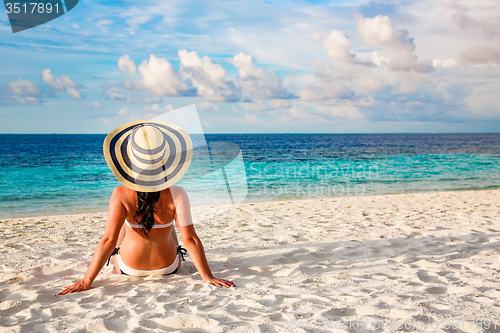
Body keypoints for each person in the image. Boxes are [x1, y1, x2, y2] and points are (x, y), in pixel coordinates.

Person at [59, 120, 235, 295]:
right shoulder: (178, 193)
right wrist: (208, 277)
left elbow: (108, 241)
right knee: (170, 225)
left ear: (130, 158)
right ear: (165, 158)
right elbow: (190, 240)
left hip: (129, 267)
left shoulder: (120, 193)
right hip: (168, 267)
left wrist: (86, 281)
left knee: (123, 226)